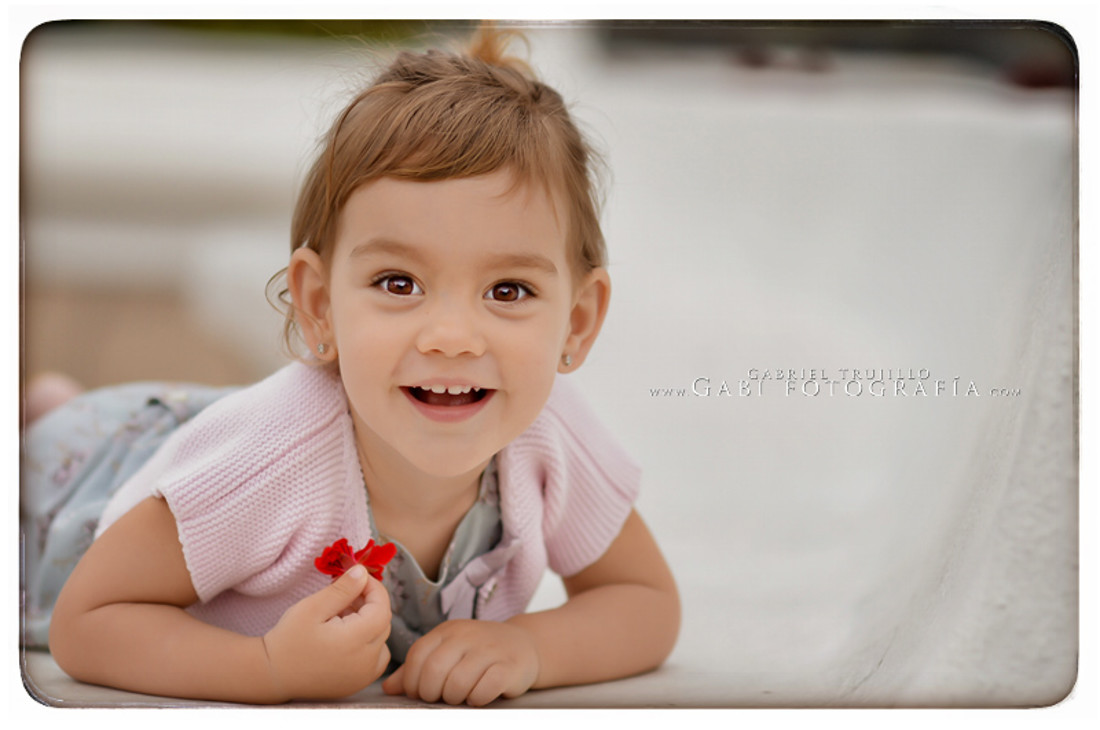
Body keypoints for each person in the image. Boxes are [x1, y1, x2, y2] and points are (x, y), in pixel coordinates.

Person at [25, 26, 680, 706]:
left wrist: (533, 648)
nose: (453, 337)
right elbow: (88, 622)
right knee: (43, 459)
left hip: (214, 439)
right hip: (83, 494)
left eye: (508, 291)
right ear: (320, 306)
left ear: (576, 321)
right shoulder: (267, 467)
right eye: (399, 284)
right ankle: (51, 416)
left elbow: (644, 600)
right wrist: (268, 669)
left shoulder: (550, 439)